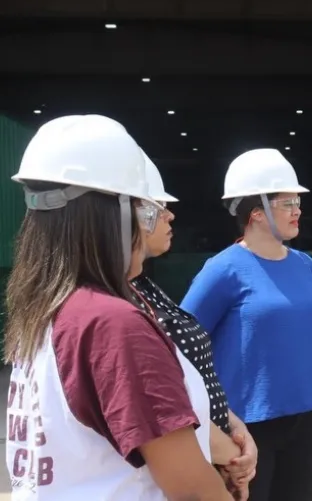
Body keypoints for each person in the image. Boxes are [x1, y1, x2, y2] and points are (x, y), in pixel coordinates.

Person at [3, 115, 233, 500]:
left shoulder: (50, 310)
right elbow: (193, 490)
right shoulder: (112, 324)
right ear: (116, 210)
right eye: (145, 207)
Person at [180, 148, 312, 501]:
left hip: (305, 418)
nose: (298, 210)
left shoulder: (306, 266)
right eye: (288, 202)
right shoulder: (223, 269)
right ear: (256, 213)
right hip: (246, 427)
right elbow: (181, 346)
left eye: (298, 201)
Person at [128, 153, 258, 499]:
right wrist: (228, 457)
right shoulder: (118, 315)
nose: (170, 214)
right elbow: (160, 411)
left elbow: (187, 378)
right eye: (157, 206)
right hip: (190, 464)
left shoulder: (142, 287)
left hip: (216, 450)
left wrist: (231, 425)